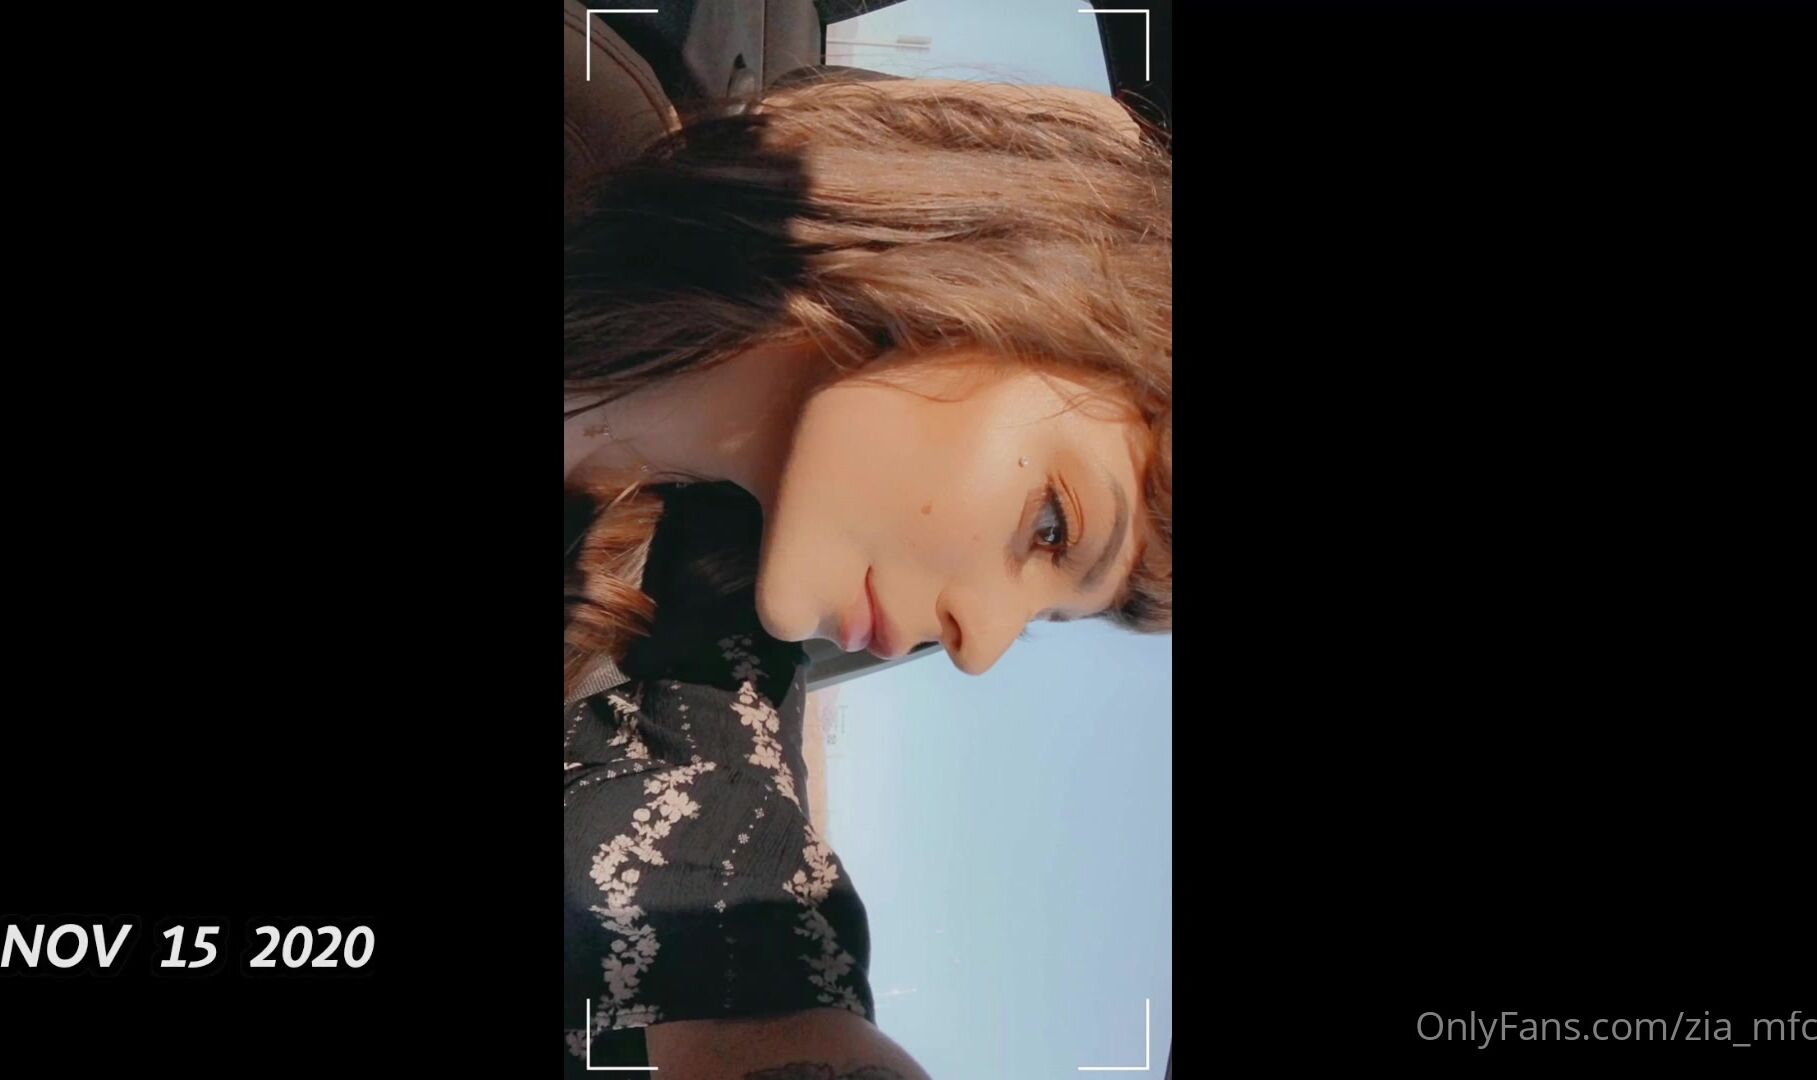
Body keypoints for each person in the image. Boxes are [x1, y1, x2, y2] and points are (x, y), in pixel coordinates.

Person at [563, 14, 1171, 1077]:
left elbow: (734, 921)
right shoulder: (583, 118)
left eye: (1043, 619)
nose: (980, 646)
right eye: (1051, 527)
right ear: (999, 270)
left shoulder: (684, 615)